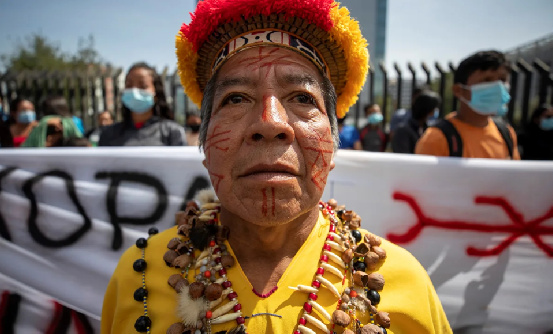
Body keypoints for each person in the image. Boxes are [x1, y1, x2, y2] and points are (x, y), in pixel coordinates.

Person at [101, 1, 452, 333]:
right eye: (235, 98)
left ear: (333, 145)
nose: (269, 123)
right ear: (205, 144)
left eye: (302, 98)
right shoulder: (141, 277)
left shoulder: (404, 281)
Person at [415, 50, 520, 159]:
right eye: (487, 80)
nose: (498, 88)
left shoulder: (507, 134)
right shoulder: (437, 139)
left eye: (503, 80)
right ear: (458, 90)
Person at [98, 62, 186, 146]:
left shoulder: (172, 132)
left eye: (143, 86)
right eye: (129, 85)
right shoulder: (109, 135)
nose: (134, 91)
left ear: (156, 93)